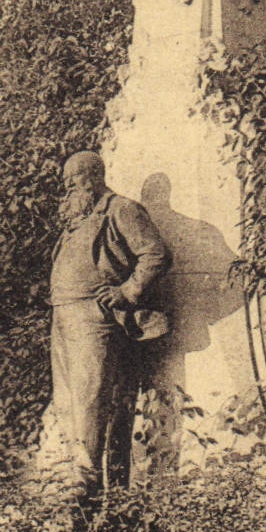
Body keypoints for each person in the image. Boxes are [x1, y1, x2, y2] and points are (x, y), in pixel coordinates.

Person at [46, 151, 170, 494]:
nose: (68, 184)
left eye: (75, 177)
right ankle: (75, 473)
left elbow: (156, 253)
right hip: (64, 315)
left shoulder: (121, 209)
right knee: (68, 398)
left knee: (91, 397)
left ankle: (87, 483)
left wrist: (128, 291)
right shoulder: (78, 219)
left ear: (95, 176)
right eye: (66, 179)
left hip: (95, 319)